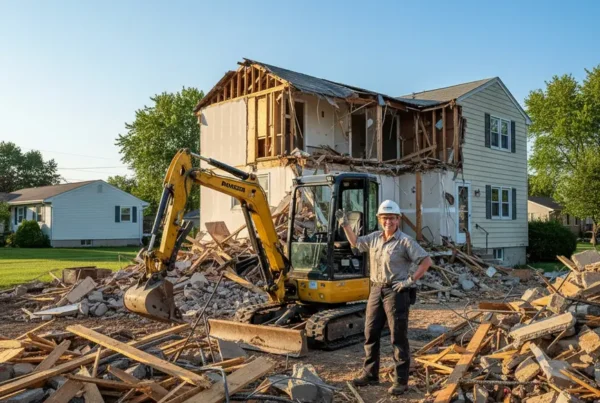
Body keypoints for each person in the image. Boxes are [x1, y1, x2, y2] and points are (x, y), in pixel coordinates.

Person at [336, 199, 432, 396]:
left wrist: (410, 281)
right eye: (384, 218)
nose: (388, 221)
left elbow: (426, 261)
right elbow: (356, 243)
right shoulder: (374, 238)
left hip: (396, 291)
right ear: (380, 220)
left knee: (397, 336)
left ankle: (401, 381)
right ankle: (370, 374)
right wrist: (345, 225)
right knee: (370, 332)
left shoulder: (405, 241)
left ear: (398, 220)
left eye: (392, 218)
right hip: (376, 289)